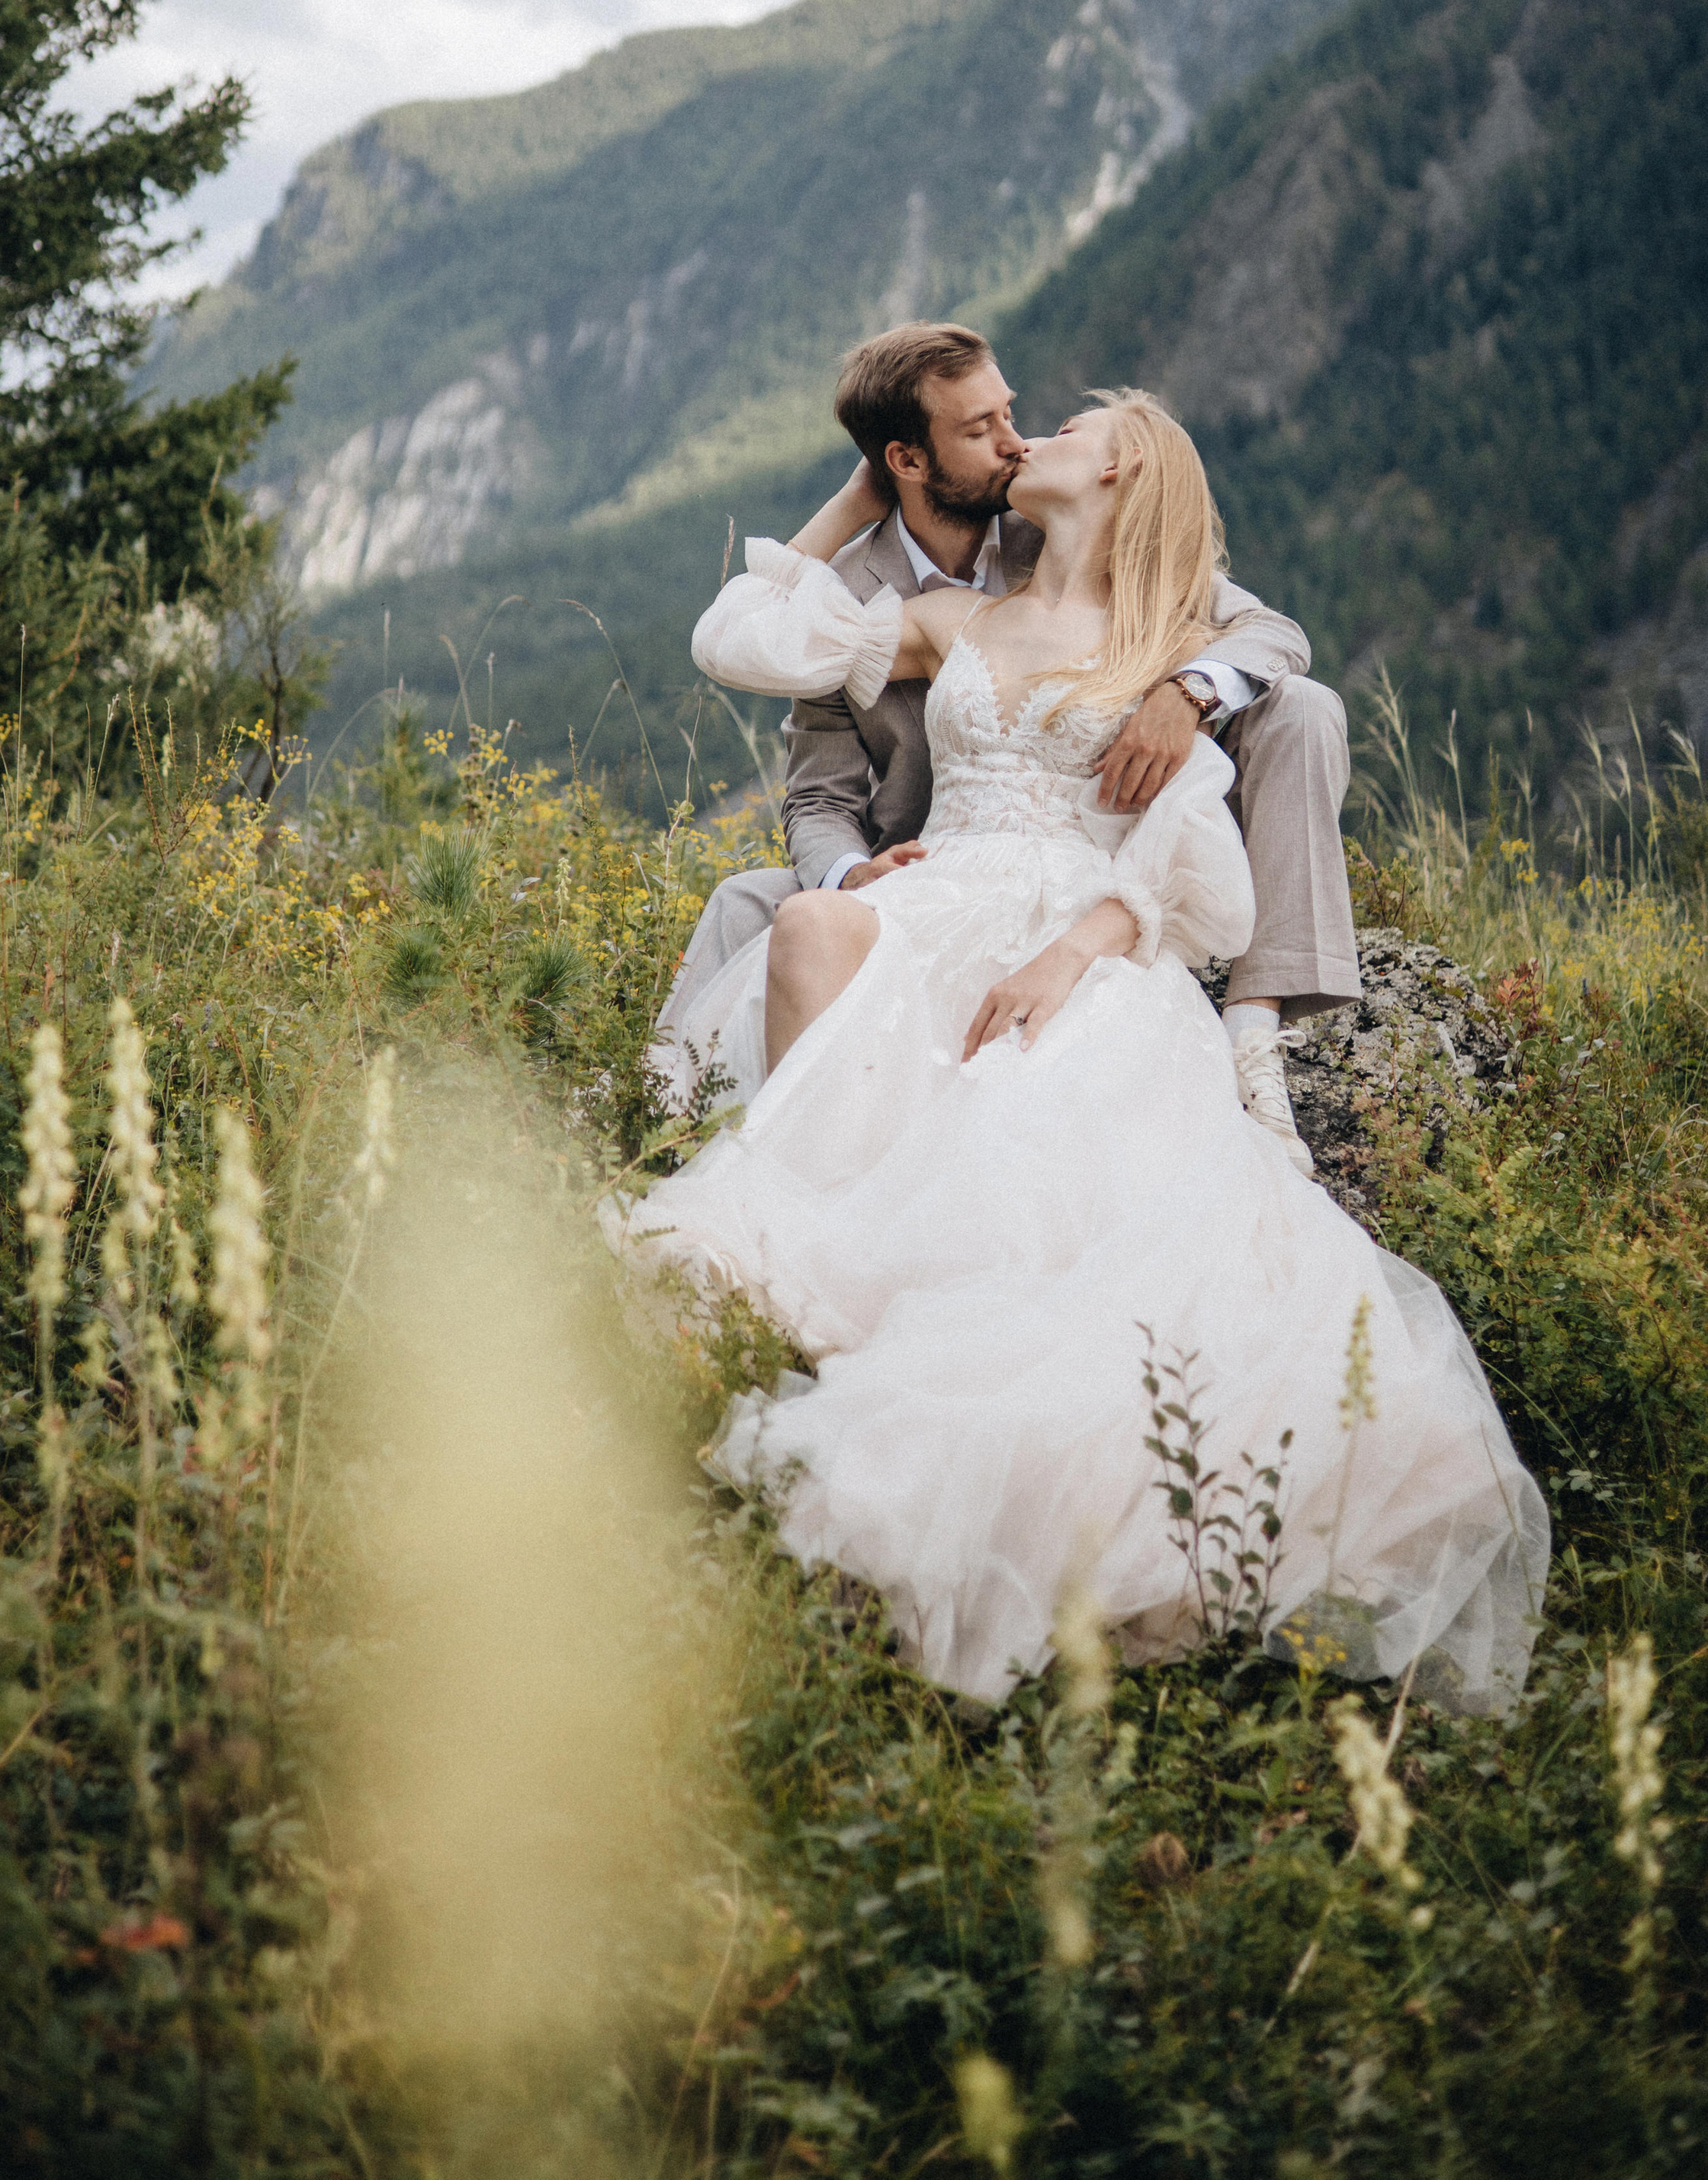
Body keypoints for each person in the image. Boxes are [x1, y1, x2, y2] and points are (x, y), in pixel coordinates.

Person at [608, 393, 1546, 1713]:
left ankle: (1205, 1100)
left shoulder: (1178, 638)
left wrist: (1078, 948)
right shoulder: (951, 619)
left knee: (1043, 1134)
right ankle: (834, 1253)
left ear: (1122, 464)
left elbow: (1191, 861)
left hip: (1082, 933)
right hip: (944, 892)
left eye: (1064, 423)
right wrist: (867, 499)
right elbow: (738, 640)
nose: (1030, 429)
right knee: (822, 929)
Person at [653, 323, 1358, 1171]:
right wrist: (851, 507)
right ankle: (663, 1099)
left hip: (1081, 856)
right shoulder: (866, 600)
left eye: (1016, 417)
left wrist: (1186, 691)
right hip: (921, 855)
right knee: (757, 903)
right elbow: (805, 777)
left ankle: (1253, 1030)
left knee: (1302, 707)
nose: (1015, 441)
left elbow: (1267, 632)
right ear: (906, 462)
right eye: (980, 428)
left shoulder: (1106, 571)